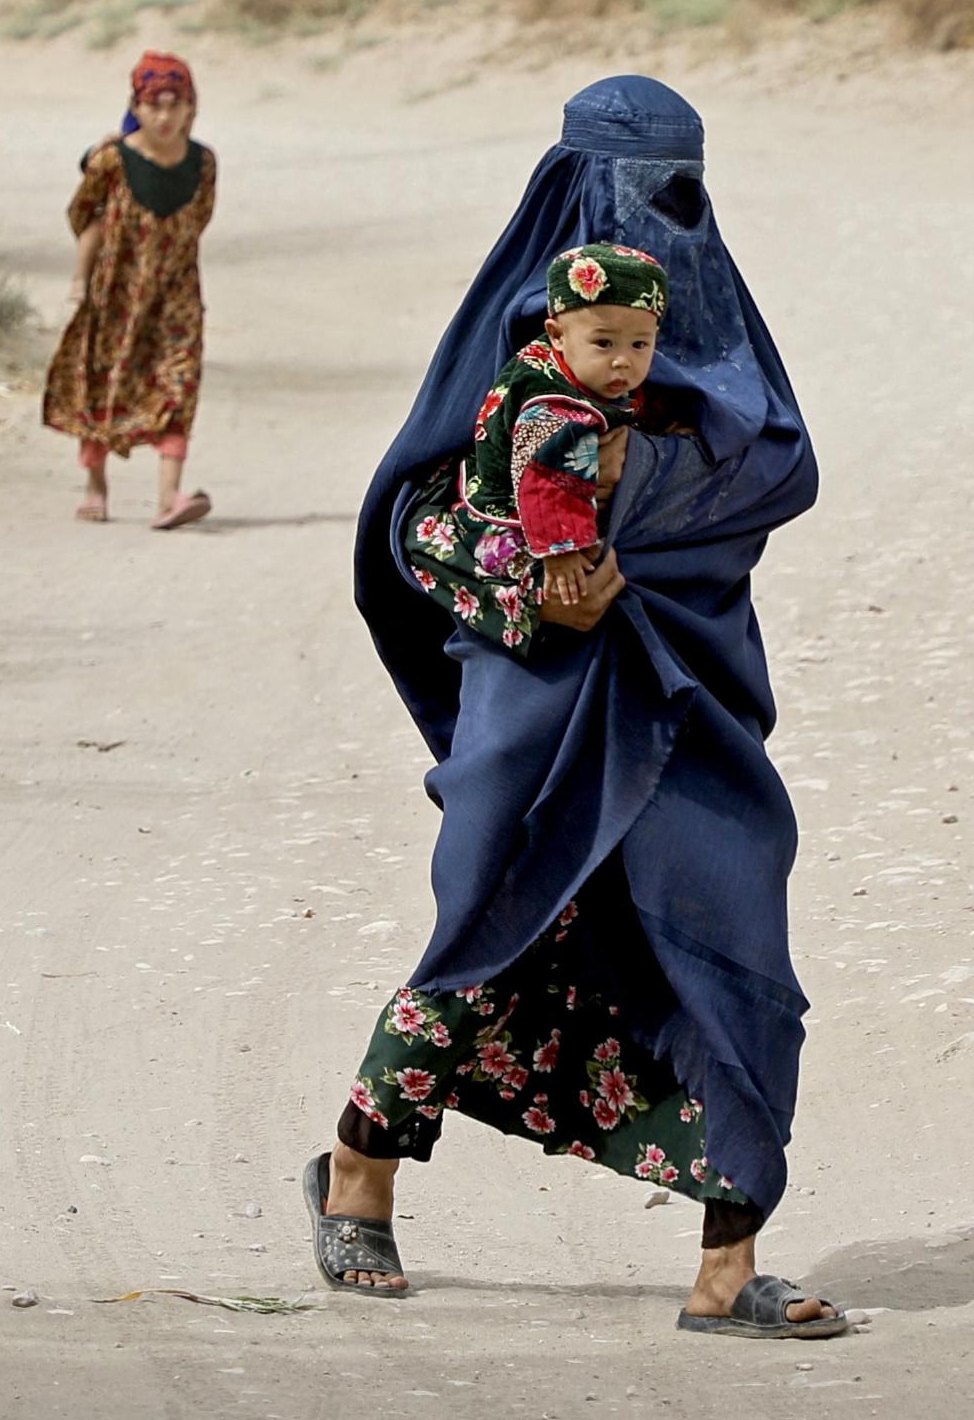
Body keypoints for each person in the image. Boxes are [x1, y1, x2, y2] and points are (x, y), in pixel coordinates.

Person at [304, 75, 844, 1339]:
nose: (662, 225)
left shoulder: (719, 351)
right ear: (570, 191)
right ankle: (360, 1171)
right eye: (637, 193)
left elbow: (772, 476)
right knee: (491, 932)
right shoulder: (517, 343)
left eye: (684, 197)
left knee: (735, 949)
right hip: (538, 712)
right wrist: (537, 582)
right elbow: (415, 521)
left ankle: (728, 1270)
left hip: (690, 706)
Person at [400, 242, 672, 654]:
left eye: (640, 345)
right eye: (604, 344)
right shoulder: (558, 412)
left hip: (513, 495)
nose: (622, 363)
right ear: (556, 335)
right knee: (521, 578)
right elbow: (545, 481)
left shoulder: (559, 365)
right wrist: (561, 552)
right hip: (511, 520)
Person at [42, 50, 214, 529]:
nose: (164, 116)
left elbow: (196, 223)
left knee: (179, 384)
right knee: (104, 382)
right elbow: (85, 218)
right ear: (135, 107)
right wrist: (83, 278)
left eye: (174, 104)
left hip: (176, 295)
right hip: (114, 293)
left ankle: (168, 498)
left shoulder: (203, 165)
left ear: (190, 108)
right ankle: (95, 488)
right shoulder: (112, 162)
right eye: (153, 105)